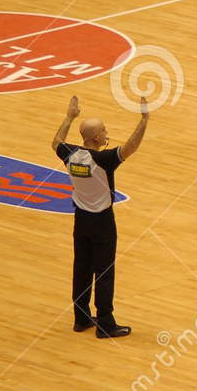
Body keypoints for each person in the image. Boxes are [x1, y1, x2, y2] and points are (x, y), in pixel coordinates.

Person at [53, 93, 149, 338]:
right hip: (102, 222)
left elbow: (56, 142)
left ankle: (81, 317)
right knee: (104, 271)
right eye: (104, 131)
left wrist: (69, 117)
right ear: (96, 138)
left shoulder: (70, 154)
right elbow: (131, 147)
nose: (107, 133)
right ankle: (105, 323)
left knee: (82, 267)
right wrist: (144, 120)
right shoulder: (103, 159)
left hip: (81, 219)